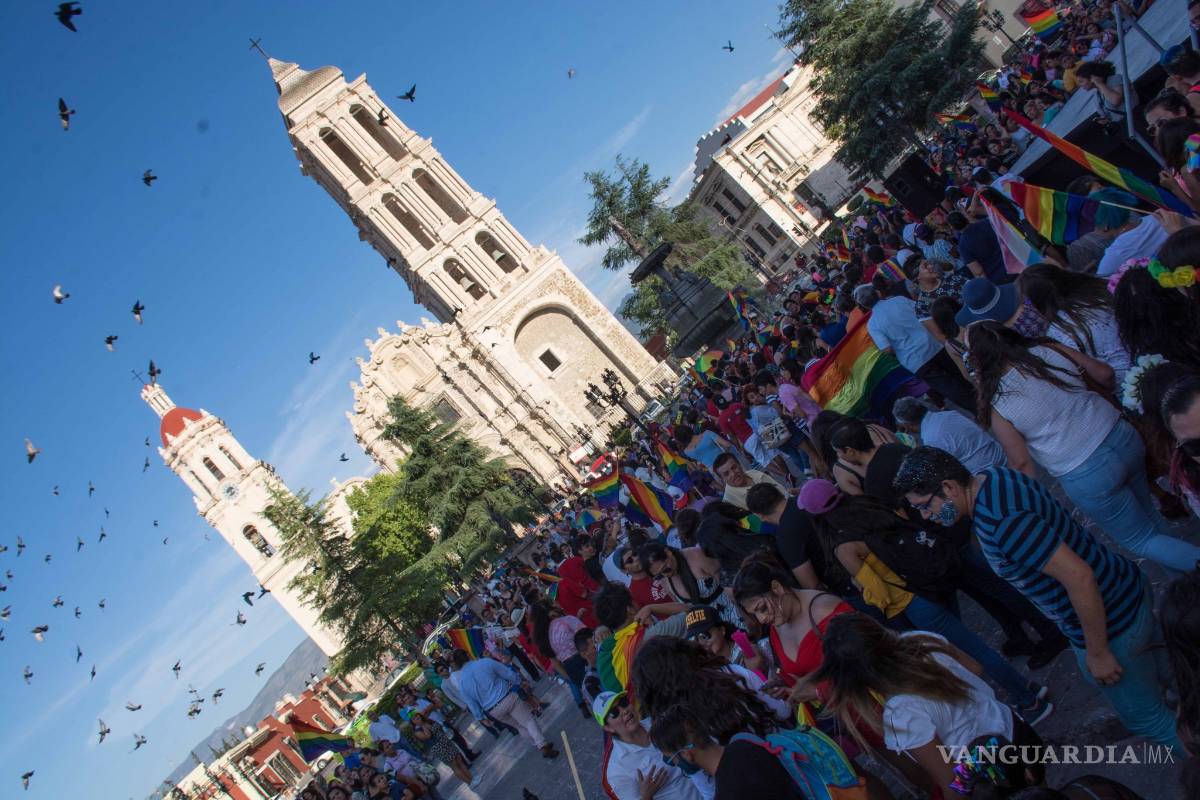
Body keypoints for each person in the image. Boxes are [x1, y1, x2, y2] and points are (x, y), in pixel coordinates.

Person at [894, 447, 1183, 748]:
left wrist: (1097, 651)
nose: (927, 517)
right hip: (1125, 587)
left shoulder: (1003, 524)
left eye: (925, 507)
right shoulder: (991, 477)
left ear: (949, 487)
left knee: (1148, 719)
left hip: (1114, 622)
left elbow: (1079, 577)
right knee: (1176, 677)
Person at [799, 479, 1051, 716]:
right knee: (967, 646)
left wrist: (861, 586)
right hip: (932, 581)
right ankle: (1028, 689)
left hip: (914, 601)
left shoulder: (843, 546)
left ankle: (1029, 701)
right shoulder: (866, 505)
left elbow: (881, 593)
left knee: (970, 651)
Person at [966, 322, 1200, 571]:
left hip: (1085, 472)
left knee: (1141, 539)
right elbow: (1104, 374)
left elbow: (1022, 462)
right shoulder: (1049, 351)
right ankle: (1186, 582)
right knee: (1151, 522)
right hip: (1121, 437)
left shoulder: (997, 402)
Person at [808, 613, 1045, 798]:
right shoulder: (919, 639)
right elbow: (976, 669)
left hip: (996, 777)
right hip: (1017, 733)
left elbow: (953, 783)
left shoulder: (901, 714)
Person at [866, 278, 975, 410]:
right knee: (959, 373)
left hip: (917, 360)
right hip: (933, 343)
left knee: (948, 386)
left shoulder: (872, 324)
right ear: (878, 293)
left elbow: (887, 349)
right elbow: (921, 311)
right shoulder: (899, 300)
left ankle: (977, 408)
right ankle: (982, 397)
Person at [1017, 263, 1132, 386]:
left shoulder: (1059, 333)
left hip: (1129, 387)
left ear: (1038, 301)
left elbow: (1104, 377)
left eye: (1027, 302)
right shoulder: (1101, 285)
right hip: (1148, 355)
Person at [447, 649, 560, 759]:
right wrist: (520, 681)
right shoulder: (484, 662)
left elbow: (472, 703)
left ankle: (537, 744)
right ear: (468, 655)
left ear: (457, 663)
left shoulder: (462, 683)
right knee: (528, 720)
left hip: (493, 710)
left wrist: (480, 718)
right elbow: (507, 673)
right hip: (507, 697)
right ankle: (542, 744)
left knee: (519, 726)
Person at [593, 691, 705, 800]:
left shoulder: (658, 721)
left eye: (623, 703)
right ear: (608, 728)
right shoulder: (617, 770)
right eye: (614, 712)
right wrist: (646, 797)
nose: (624, 711)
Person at [593, 581, 689, 694]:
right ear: (630, 609)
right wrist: (651, 608)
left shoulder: (604, 651)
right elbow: (692, 611)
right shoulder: (652, 635)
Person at [744, 483, 828, 590]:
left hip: (845, 581)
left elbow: (810, 584)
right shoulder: (805, 499)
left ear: (760, 516)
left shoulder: (785, 537)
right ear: (780, 494)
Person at [892, 396, 1007, 474]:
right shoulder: (951, 414)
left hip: (988, 472)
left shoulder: (931, 440)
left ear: (908, 426)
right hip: (1001, 455)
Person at [528, 599, 589, 719]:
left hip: (571, 667)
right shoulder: (565, 621)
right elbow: (585, 636)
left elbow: (555, 663)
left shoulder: (543, 636)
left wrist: (570, 677)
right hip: (585, 657)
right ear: (549, 610)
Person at [1092, 189, 1170, 277]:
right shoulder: (1160, 218)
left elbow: (1102, 285)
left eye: (1091, 225)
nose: (1092, 230)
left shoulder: (1115, 254)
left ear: (1105, 226)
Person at [683, 604, 768, 675]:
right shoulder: (710, 668)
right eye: (696, 639)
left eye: (705, 635)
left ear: (722, 630)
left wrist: (759, 669)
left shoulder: (748, 650)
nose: (702, 642)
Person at [409, 709, 476, 787]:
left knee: (459, 760)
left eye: (417, 715)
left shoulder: (428, 720)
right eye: (413, 718)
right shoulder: (417, 731)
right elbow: (428, 736)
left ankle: (472, 779)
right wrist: (422, 725)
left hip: (445, 741)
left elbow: (439, 726)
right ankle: (469, 782)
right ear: (412, 722)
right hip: (438, 748)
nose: (416, 718)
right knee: (454, 765)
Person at [949, 208, 1007, 283]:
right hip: (1012, 265)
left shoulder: (963, 246)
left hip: (998, 278)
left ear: (953, 227)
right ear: (965, 218)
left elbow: (979, 272)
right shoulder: (986, 223)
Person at [713, 452, 787, 508]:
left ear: (740, 464)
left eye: (734, 467)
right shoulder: (729, 502)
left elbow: (780, 489)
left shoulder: (753, 473)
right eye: (726, 474)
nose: (733, 474)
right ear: (722, 479)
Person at [557, 534, 601, 627]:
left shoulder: (562, 572)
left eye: (591, 544)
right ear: (579, 551)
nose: (591, 547)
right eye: (587, 546)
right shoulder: (577, 561)